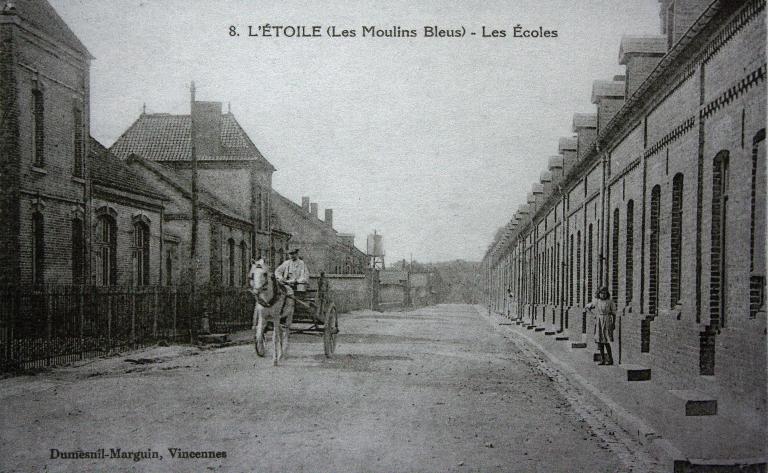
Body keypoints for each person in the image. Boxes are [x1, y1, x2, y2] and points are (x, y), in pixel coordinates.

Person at [586, 286, 615, 365]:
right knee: (600, 341)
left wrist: (613, 323)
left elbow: (613, 313)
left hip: (607, 320)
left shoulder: (610, 302)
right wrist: (593, 315)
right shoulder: (597, 301)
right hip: (599, 320)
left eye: (605, 293)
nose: (603, 295)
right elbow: (587, 307)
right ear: (599, 294)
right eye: (602, 293)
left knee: (606, 340)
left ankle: (610, 359)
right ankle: (602, 360)